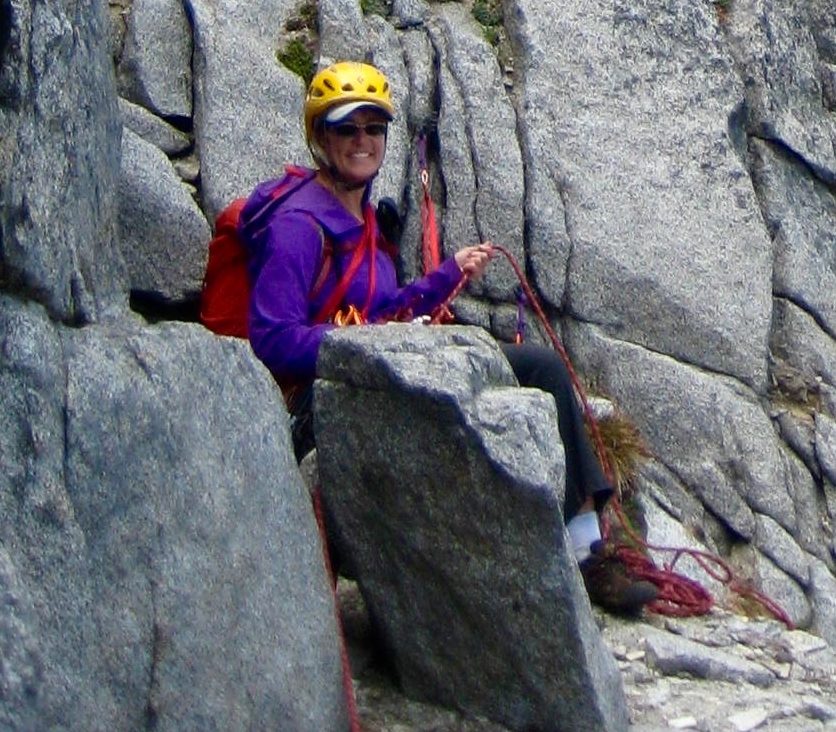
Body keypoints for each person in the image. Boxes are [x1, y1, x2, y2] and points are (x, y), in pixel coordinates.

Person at [247, 60, 643, 607]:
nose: (362, 141)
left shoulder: (365, 224)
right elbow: (270, 338)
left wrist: (447, 274)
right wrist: (358, 347)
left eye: (373, 128)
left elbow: (385, 310)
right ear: (320, 136)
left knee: (543, 369)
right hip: (323, 398)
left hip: (375, 369)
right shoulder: (297, 227)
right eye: (346, 128)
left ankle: (585, 547)